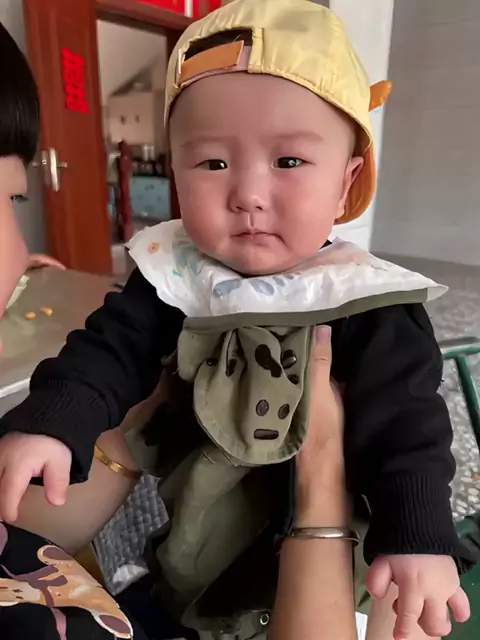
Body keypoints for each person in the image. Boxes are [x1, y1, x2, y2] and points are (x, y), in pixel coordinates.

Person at [0, 0, 474, 638]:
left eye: (289, 162)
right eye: (213, 163)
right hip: (201, 517)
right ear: (176, 172)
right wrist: (51, 424)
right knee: (191, 584)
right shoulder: (175, 276)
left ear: (346, 182)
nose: (248, 194)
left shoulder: (365, 299)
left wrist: (419, 537)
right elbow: (106, 351)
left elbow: (409, 423)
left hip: (336, 554)